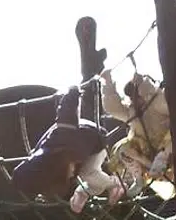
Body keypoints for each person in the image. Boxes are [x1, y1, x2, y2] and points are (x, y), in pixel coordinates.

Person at [11, 82, 124, 213]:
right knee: (85, 176)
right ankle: (84, 191)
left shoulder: (64, 137)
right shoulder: (45, 158)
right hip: (78, 152)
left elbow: (66, 111)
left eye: (67, 175)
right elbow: (35, 158)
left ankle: (115, 184)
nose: (70, 176)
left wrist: (73, 92)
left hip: (95, 140)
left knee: (88, 173)